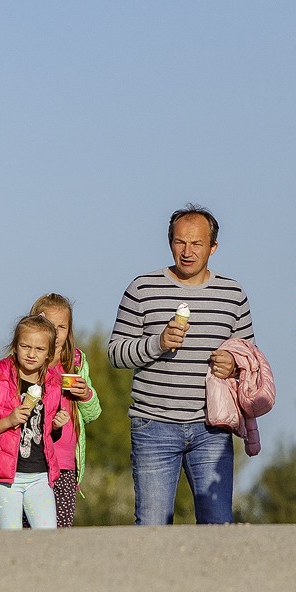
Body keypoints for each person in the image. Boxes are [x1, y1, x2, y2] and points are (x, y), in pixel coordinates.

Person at [108, 204, 254, 525]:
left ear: (213, 247)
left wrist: (234, 363)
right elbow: (116, 353)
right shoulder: (142, 289)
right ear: (170, 242)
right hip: (153, 425)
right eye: (179, 242)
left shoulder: (233, 294)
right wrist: (157, 343)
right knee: (153, 527)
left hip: (212, 428)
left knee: (217, 525)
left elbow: (249, 357)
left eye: (197, 244)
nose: (187, 252)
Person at [0, 315, 68, 530]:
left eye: (39, 349)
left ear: (49, 354)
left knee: (48, 537)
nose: (32, 354)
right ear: (15, 346)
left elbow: (48, 436)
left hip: (40, 478)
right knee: (11, 539)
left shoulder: (53, 387)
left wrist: (57, 426)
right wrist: (9, 420)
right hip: (6, 480)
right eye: (25, 346)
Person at [29, 293, 101, 527]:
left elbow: (92, 414)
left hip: (65, 463)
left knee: (61, 527)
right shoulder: (27, 361)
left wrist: (85, 395)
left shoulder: (76, 362)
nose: (56, 333)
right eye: (50, 325)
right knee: (29, 527)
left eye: (62, 327)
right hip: (32, 461)